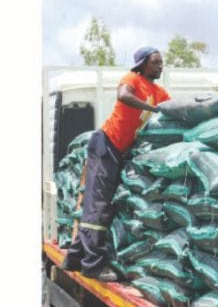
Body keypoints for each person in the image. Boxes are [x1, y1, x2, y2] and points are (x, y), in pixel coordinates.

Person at [60, 47, 170, 282]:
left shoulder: (158, 91)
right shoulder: (132, 79)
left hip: (118, 150)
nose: (160, 66)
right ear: (142, 65)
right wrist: (152, 108)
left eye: (162, 63)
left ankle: (74, 257)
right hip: (105, 145)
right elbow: (123, 95)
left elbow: (172, 109)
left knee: (99, 203)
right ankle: (93, 265)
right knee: (98, 206)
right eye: (155, 63)